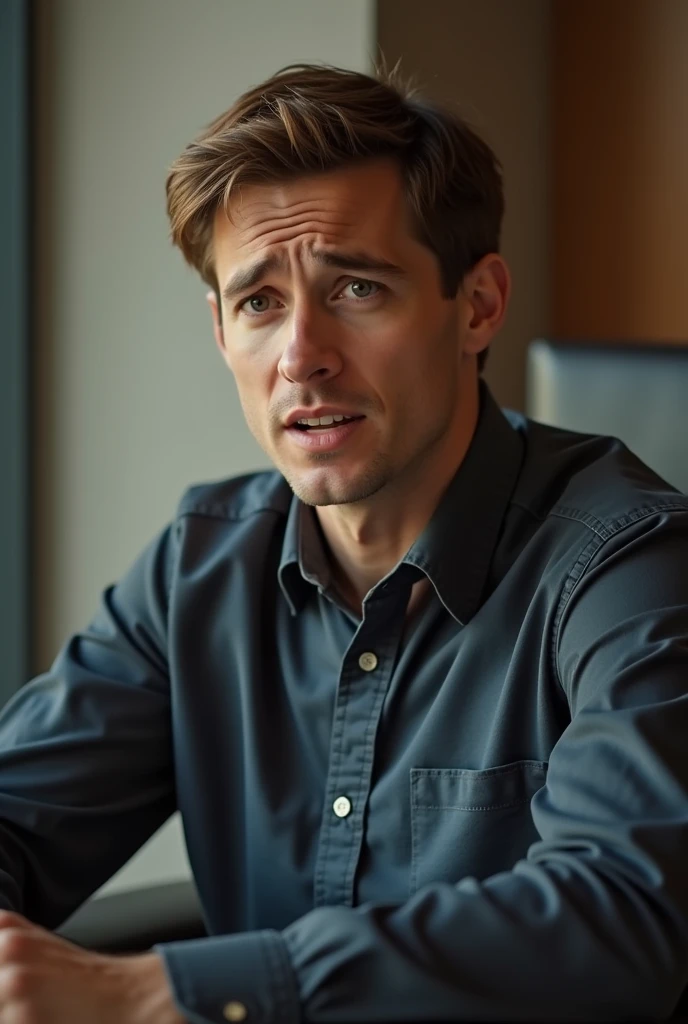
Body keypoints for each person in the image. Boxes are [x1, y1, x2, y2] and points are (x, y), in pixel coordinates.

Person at [0, 62, 687, 1024]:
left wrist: (156, 994)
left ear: (478, 305)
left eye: (357, 288)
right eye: (259, 303)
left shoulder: (630, 562)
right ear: (221, 331)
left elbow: (625, 916)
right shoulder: (199, 568)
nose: (301, 355)